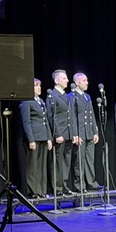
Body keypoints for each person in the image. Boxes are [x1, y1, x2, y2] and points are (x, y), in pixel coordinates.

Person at [18, 78, 52, 199]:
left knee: (42, 165)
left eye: (39, 85)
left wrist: (49, 138)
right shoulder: (26, 102)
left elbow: (46, 121)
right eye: (36, 86)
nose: (39, 88)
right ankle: (33, 191)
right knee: (33, 165)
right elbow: (26, 122)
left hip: (43, 137)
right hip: (34, 138)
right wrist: (31, 139)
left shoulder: (40, 101)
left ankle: (42, 190)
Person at [68, 72, 100, 192]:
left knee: (89, 159)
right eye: (84, 81)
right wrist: (75, 134)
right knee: (79, 161)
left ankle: (91, 183)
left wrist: (95, 132)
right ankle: (79, 185)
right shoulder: (71, 97)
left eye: (87, 80)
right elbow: (72, 117)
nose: (87, 83)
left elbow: (91, 115)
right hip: (80, 133)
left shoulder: (87, 96)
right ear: (77, 82)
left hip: (89, 133)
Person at [46, 69, 74, 197]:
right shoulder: (52, 96)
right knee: (57, 162)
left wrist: (73, 133)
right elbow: (52, 117)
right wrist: (57, 134)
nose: (67, 80)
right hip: (60, 134)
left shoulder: (66, 95)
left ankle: (64, 185)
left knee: (66, 161)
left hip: (68, 133)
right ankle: (57, 187)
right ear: (56, 81)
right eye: (64, 78)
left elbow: (70, 116)